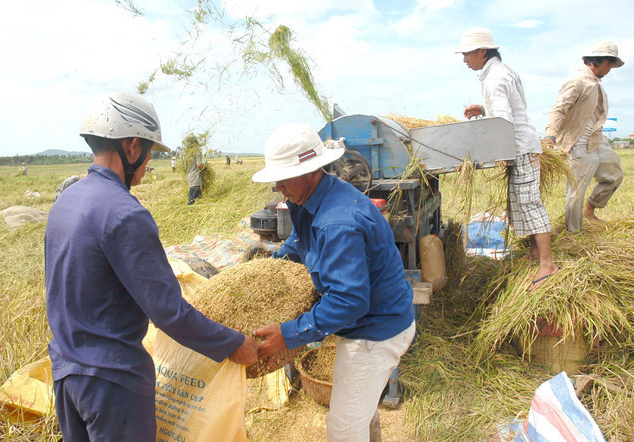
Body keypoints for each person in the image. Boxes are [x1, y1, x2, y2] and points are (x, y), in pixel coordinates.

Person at [45, 92, 257, 441]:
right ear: (131, 146)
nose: (147, 165)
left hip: (67, 374)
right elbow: (168, 312)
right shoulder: (125, 213)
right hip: (112, 383)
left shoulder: (66, 201)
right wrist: (233, 343)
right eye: (148, 153)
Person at [252, 123, 416, 441]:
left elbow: (349, 302)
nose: (277, 187)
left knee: (343, 429)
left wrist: (288, 334)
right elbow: (300, 242)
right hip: (368, 322)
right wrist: (271, 273)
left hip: (375, 332)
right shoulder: (311, 200)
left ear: (311, 171)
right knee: (359, 412)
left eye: (283, 177)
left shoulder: (337, 222)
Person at [456, 27, 559, 290]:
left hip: (521, 148)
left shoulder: (495, 78)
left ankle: (548, 265)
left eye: (467, 54)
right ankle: (536, 256)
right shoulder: (501, 71)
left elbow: (503, 120)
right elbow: (505, 107)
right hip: (522, 147)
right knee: (521, 204)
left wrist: (488, 150)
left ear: (482, 51)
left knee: (530, 204)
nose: (464, 59)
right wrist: (483, 107)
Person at [541, 42, 624, 232]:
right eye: (609, 64)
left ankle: (590, 210)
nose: (610, 69)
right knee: (576, 192)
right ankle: (574, 232)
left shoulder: (596, 83)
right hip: (579, 141)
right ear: (600, 60)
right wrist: (550, 136)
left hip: (597, 138)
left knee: (614, 175)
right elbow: (558, 109)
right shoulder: (578, 81)